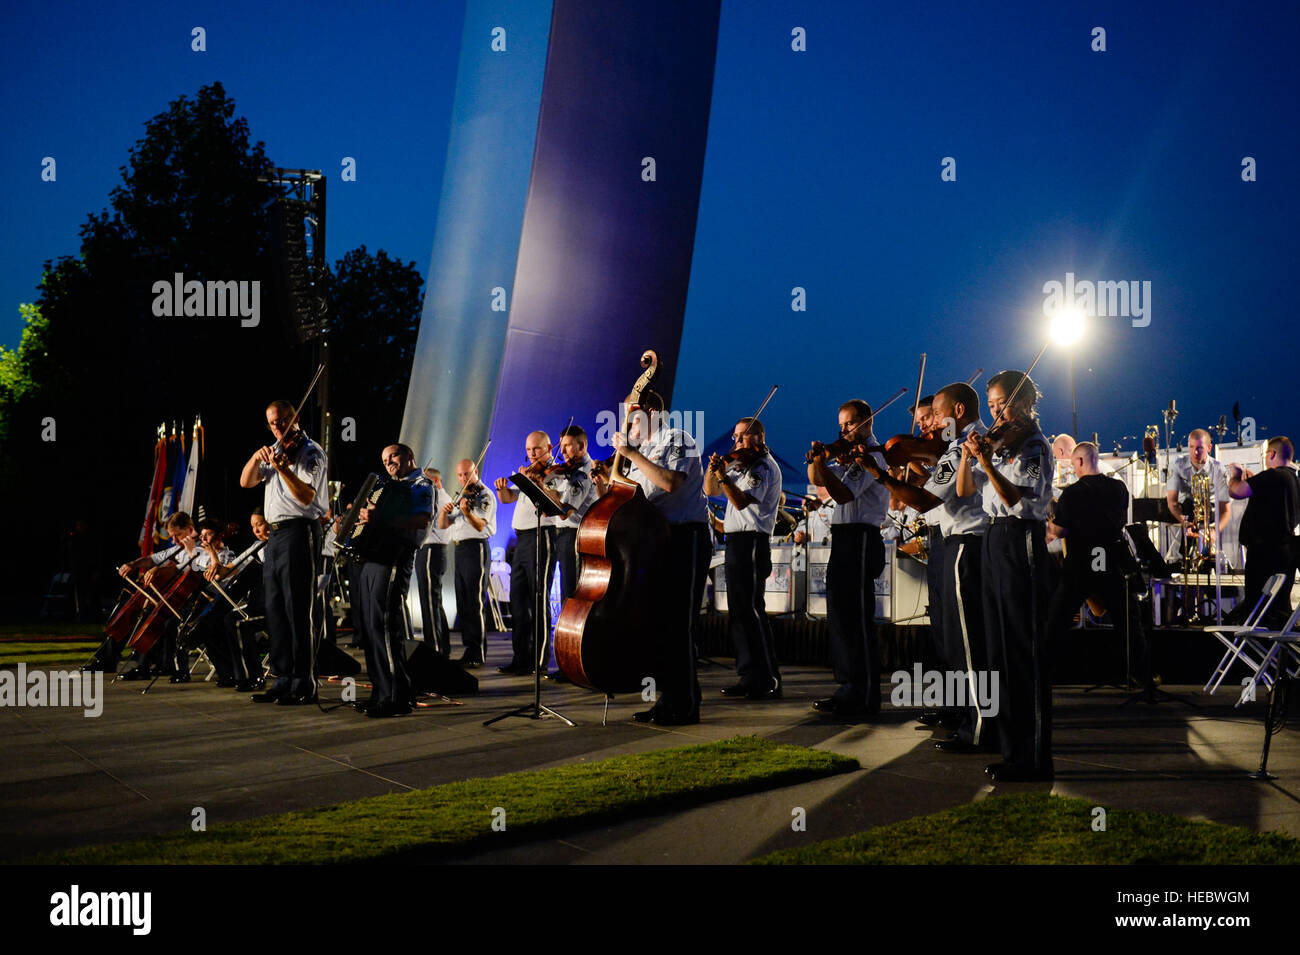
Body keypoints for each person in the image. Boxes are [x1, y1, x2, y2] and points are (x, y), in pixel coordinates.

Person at [861, 382, 991, 745]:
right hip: (951, 541)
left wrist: (880, 474)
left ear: (958, 412)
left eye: (936, 414)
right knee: (950, 638)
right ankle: (961, 712)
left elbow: (925, 500)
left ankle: (980, 724)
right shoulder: (951, 447)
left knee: (967, 642)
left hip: (967, 541)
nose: (930, 423)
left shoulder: (967, 445)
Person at [958, 370, 1054, 782]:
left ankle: (1033, 757)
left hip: (1021, 539)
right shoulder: (1000, 444)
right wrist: (969, 457)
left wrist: (985, 461)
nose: (996, 413)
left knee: (1021, 650)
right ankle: (1010, 746)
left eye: (1003, 404)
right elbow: (964, 490)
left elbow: (1015, 498)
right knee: (997, 647)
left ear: (1027, 403)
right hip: (995, 538)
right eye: (992, 405)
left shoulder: (1033, 445)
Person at [610, 389, 710, 726]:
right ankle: (666, 700)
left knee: (678, 626)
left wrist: (629, 455)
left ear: (651, 411)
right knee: (659, 626)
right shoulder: (645, 451)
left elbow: (669, 483)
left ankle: (685, 704)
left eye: (631, 416)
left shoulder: (678, 439)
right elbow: (631, 496)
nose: (627, 424)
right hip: (657, 539)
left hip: (685, 537)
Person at [239, 399, 328, 705]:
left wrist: (284, 470)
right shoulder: (275, 450)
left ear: (295, 417)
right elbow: (246, 481)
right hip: (274, 537)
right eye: (273, 423)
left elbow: (307, 497)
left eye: (283, 420)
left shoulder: (310, 452)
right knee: (275, 611)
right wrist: (256, 457)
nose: (278, 427)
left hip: (299, 532)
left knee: (298, 611)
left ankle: (304, 682)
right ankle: (282, 678)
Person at [806, 399, 890, 718]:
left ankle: (864, 693)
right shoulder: (850, 453)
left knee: (856, 618)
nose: (843, 431)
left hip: (861, 536)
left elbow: (842, 493)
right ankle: (847, 687)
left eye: (850, 424)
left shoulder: (873, 455)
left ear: (867, 421)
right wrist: (818, 459)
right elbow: (818, 481)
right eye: (840, 425)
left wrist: (824, 466)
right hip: (843, 537)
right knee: (841, 615)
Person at [1046, 441, 1152, 693]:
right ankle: (1142, 676)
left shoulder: (1071, 493)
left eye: (1073, 464)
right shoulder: (1119, 488)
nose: (1073, 470)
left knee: (1055, 623)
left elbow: (1059, 530)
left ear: (1081, 461)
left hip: (1080, 565)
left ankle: (1041, 676)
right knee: (1128, 623)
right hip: (1111, 563)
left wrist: (1048, 524)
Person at [347, 444, 433, 717]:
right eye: (384, 459)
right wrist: (355, 521)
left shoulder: (421, 484)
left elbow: (421, 520)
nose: (389, 463)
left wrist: (380, 516)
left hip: (395, 557)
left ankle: (396, 697)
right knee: (370, 628)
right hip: (372, 558)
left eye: (393, 456)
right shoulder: (386, 486)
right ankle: (381, 692)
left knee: (384, 627)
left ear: (409, 455)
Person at [705, 416, 783, 700]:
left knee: (750, 610)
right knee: (740, 611)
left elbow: (739, 501)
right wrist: (714, 470)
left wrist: (724, 476)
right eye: (735, 437)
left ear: (759, 438)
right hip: (736, 540)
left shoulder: (762, 467)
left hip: (753, 540)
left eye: (742, 436)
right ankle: (751, 674)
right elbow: (710, 490)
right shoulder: (739, 464)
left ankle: (765, 677)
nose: (736, 442)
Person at [496, 432, 559, 675]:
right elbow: (508, 498)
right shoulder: (529, 472)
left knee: (538, 597)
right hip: (521, 539)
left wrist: (535, 483)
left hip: (541, 536)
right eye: (529, 450)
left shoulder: (555, 473)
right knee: (519, 601)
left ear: (549, 447)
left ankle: (539, 660)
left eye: (536, 449)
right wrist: (503, 488)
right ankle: (520, 657)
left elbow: (553, 505)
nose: (532, 454)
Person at [1229, 436, 1300, 628]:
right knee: (1278, 608)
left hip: (1264, 556)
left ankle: (1255, 653)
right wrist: (1255, 483)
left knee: (1258, 611)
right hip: (1284, 554)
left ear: (1272, 453)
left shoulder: (1274, 476)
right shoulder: (1292, 480)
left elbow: (1236, 491)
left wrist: (1234, 474)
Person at [546, 426, 599, 680]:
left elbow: (565, 510)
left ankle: (576, 662)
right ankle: (569, 662)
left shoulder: (584, 472)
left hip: (575, 535)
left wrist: (542, 487)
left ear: (582, 446)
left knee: (573, 599)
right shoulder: (566, 472)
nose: (563, 451)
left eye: (568, 446)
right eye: (562, 446)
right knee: (569, 600)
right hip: (563, 535)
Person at [438, 458, 497, 667]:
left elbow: (481, 525)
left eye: (467, 474)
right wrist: (445, 512)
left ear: (476, 472)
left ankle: (478, 651)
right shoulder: (461, 495)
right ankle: (469, 648)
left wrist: (467, 512)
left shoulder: (485, 494)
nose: (464, 478)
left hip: (476, 548)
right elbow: (444, 525)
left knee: (475, 601)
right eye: (460, 475)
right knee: (463, 601)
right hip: (460, 548)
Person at [1166, 429, 1231, 567]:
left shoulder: (1219, 469)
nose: (1195, 452)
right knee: (1189, 504)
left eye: (1200, 448)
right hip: (1187, 512)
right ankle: (1185, 558)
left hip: (1210, 513)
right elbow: (1172, 502)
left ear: (1209, 448)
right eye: (1191, 447)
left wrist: (1214, 531)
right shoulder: (1178, 465)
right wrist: (1184, 522)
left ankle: (1206, 557)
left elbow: (1225, 511)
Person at [413, 467, 453, 658]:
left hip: (432, 550)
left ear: (436, 482)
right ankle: (441, 646)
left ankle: (434, 649)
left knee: (429, 601)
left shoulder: (440, 499)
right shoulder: (434, 498)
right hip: (429, 550)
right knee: (433, 600)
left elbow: (425, 522)